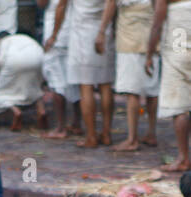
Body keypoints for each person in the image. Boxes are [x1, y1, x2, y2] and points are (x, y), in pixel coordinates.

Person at [147, 0, 191, 170]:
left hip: (177, 52)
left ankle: (183, 158)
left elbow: (157, 25)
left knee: (179, 108)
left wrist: (148, 54)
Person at [54, 0, 115, 147]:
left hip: (82, 34)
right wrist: (102, 30)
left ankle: (91, 136)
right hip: (104, 31)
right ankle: (106, 134)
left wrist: (54, 33)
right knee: (105, 84)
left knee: (86, 86)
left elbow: (61, 6)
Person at [105, 0, 160, 151]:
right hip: (151, 36)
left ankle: (132, 139)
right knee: (151, 89)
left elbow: (111, 4)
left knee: (132, 92)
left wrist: (102, 30)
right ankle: (151, 132)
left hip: (129, 38)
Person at [40, 0, 83, 138]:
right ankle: (76, 123)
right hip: (73, 32)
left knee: (57, 82)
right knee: (74, 81)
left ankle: (60, 127)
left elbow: (43, 3)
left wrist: (53, 35)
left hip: (58, 34)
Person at [0, 30, 46, 130]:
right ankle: (41, 111)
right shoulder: (22, 38)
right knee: (35, 89)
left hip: (15, 60)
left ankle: (16, 112)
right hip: (39, 56)